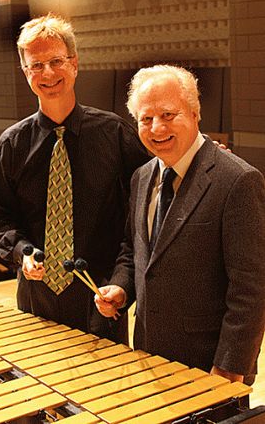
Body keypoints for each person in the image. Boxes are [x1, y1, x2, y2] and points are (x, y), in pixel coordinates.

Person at [0, 13, 148, 343]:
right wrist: (22, 252)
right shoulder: (11, 145)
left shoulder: (115, 133)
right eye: (36, 65)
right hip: (36, 298)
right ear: (25, 72)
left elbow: (143, 212)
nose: (47, 73)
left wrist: (123, 281)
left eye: (56, 61)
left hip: (102, 296)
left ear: (74, 63)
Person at [95, 64, 265, 384]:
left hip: (210, 367)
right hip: (149, 353)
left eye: (169, 114)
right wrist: (121, 287)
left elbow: (251, 290)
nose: (157, 128)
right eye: (146, 119)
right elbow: (135, 251)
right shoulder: (142, 178)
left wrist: (230, 367)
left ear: (195, 113)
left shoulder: (238, 181)